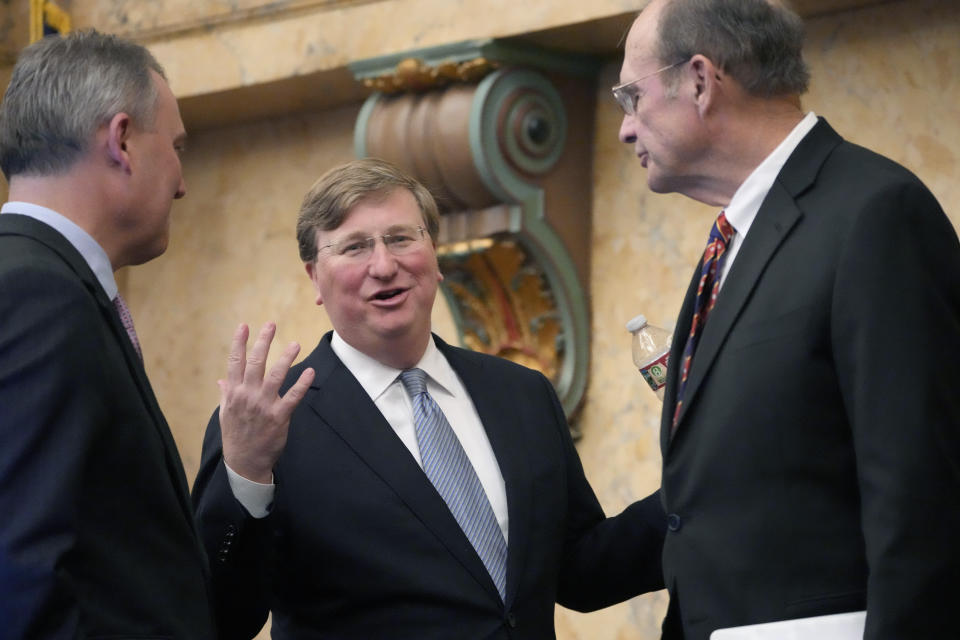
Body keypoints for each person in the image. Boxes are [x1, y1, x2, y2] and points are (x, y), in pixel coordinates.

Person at [192, 157, 668, 639]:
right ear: (315, 276)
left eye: (401, 239)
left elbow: (583, 572)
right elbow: (218, 617)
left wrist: (698, 481)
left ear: (434, 253)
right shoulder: (271, 422)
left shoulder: (521, 393)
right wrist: (247, 478)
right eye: (355, 247)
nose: (384, 265)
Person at [615, 0, 960, 638]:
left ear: (699, 80)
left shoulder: (875, 214)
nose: (625, 130)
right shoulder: (733, 238)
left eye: (631, 98)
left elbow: (921, 495)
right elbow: (743, 477)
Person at [0, 31, 304, 638]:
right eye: (178, 146)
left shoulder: (41, 282)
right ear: (121, 141)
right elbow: (22, 565)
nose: (183, 182)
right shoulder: (40, 295)